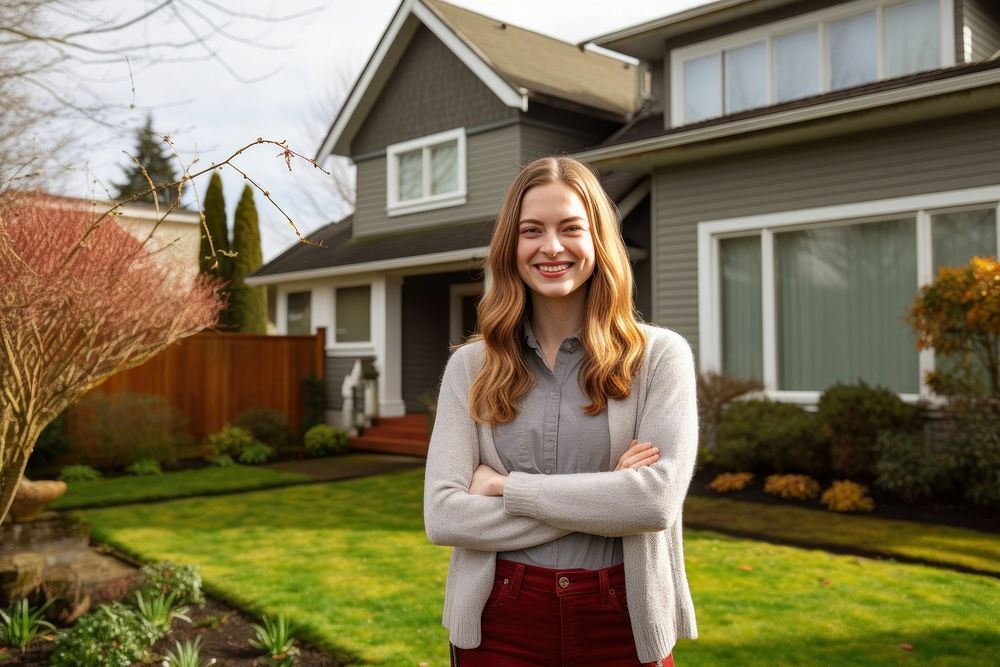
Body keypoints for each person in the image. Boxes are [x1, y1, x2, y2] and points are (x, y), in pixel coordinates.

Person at [424, 156, 698, 666]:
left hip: (624, 615)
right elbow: (444, 516)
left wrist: (506, 488)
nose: (551, 247)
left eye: (571, 228)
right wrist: (606, 501)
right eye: (532, 230)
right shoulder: (471, 366)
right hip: (498, 617)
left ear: (598, 241)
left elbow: (653, 505)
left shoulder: (660, 357)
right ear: (512, 246)